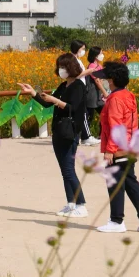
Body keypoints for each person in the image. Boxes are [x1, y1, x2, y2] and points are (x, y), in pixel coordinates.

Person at [18, 53, 88, 218]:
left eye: (63, 67)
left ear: (71, 67)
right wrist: (33, 93)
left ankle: (81, 205)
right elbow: (47, 103)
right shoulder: (64, 86)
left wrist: (55, 100)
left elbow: (72, 108)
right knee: (64, 170)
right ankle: (71, 203)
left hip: (70, 131)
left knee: (69, 169)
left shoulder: (78, 86)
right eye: (59, 67)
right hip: (59, 131)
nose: (61, 70)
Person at [96, 61, 139, 234]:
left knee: (114, 183)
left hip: (118, 149)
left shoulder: (115, 100)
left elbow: (115, 126)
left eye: (107, 78)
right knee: (130, 182)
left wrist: (110, 150)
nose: (105, 80)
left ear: (112, 79)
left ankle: (116, 220)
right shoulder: (128, 95)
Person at [70, 39, 100, 146]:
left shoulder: (77, 59)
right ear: (77, 48)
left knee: (81, 113)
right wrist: (88, 71)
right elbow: (75, 75)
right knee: (83, 112)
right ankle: (86, 137)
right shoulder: (72, 60)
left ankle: (80, 136)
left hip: (81, 87)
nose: (84, 51)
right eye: (82, 49)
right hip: (77, 88)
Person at [85, 46, 110, 136]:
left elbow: (102, 80)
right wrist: (105, 93)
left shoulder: (99, 66)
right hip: (92, 95)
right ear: (96, 56)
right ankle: (84, 136)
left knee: (104, 114)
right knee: (89, 116)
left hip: (98, 96)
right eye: (101, 53)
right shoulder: (92, 66)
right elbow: (97, 81)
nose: (102, 55)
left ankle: (101, 135)